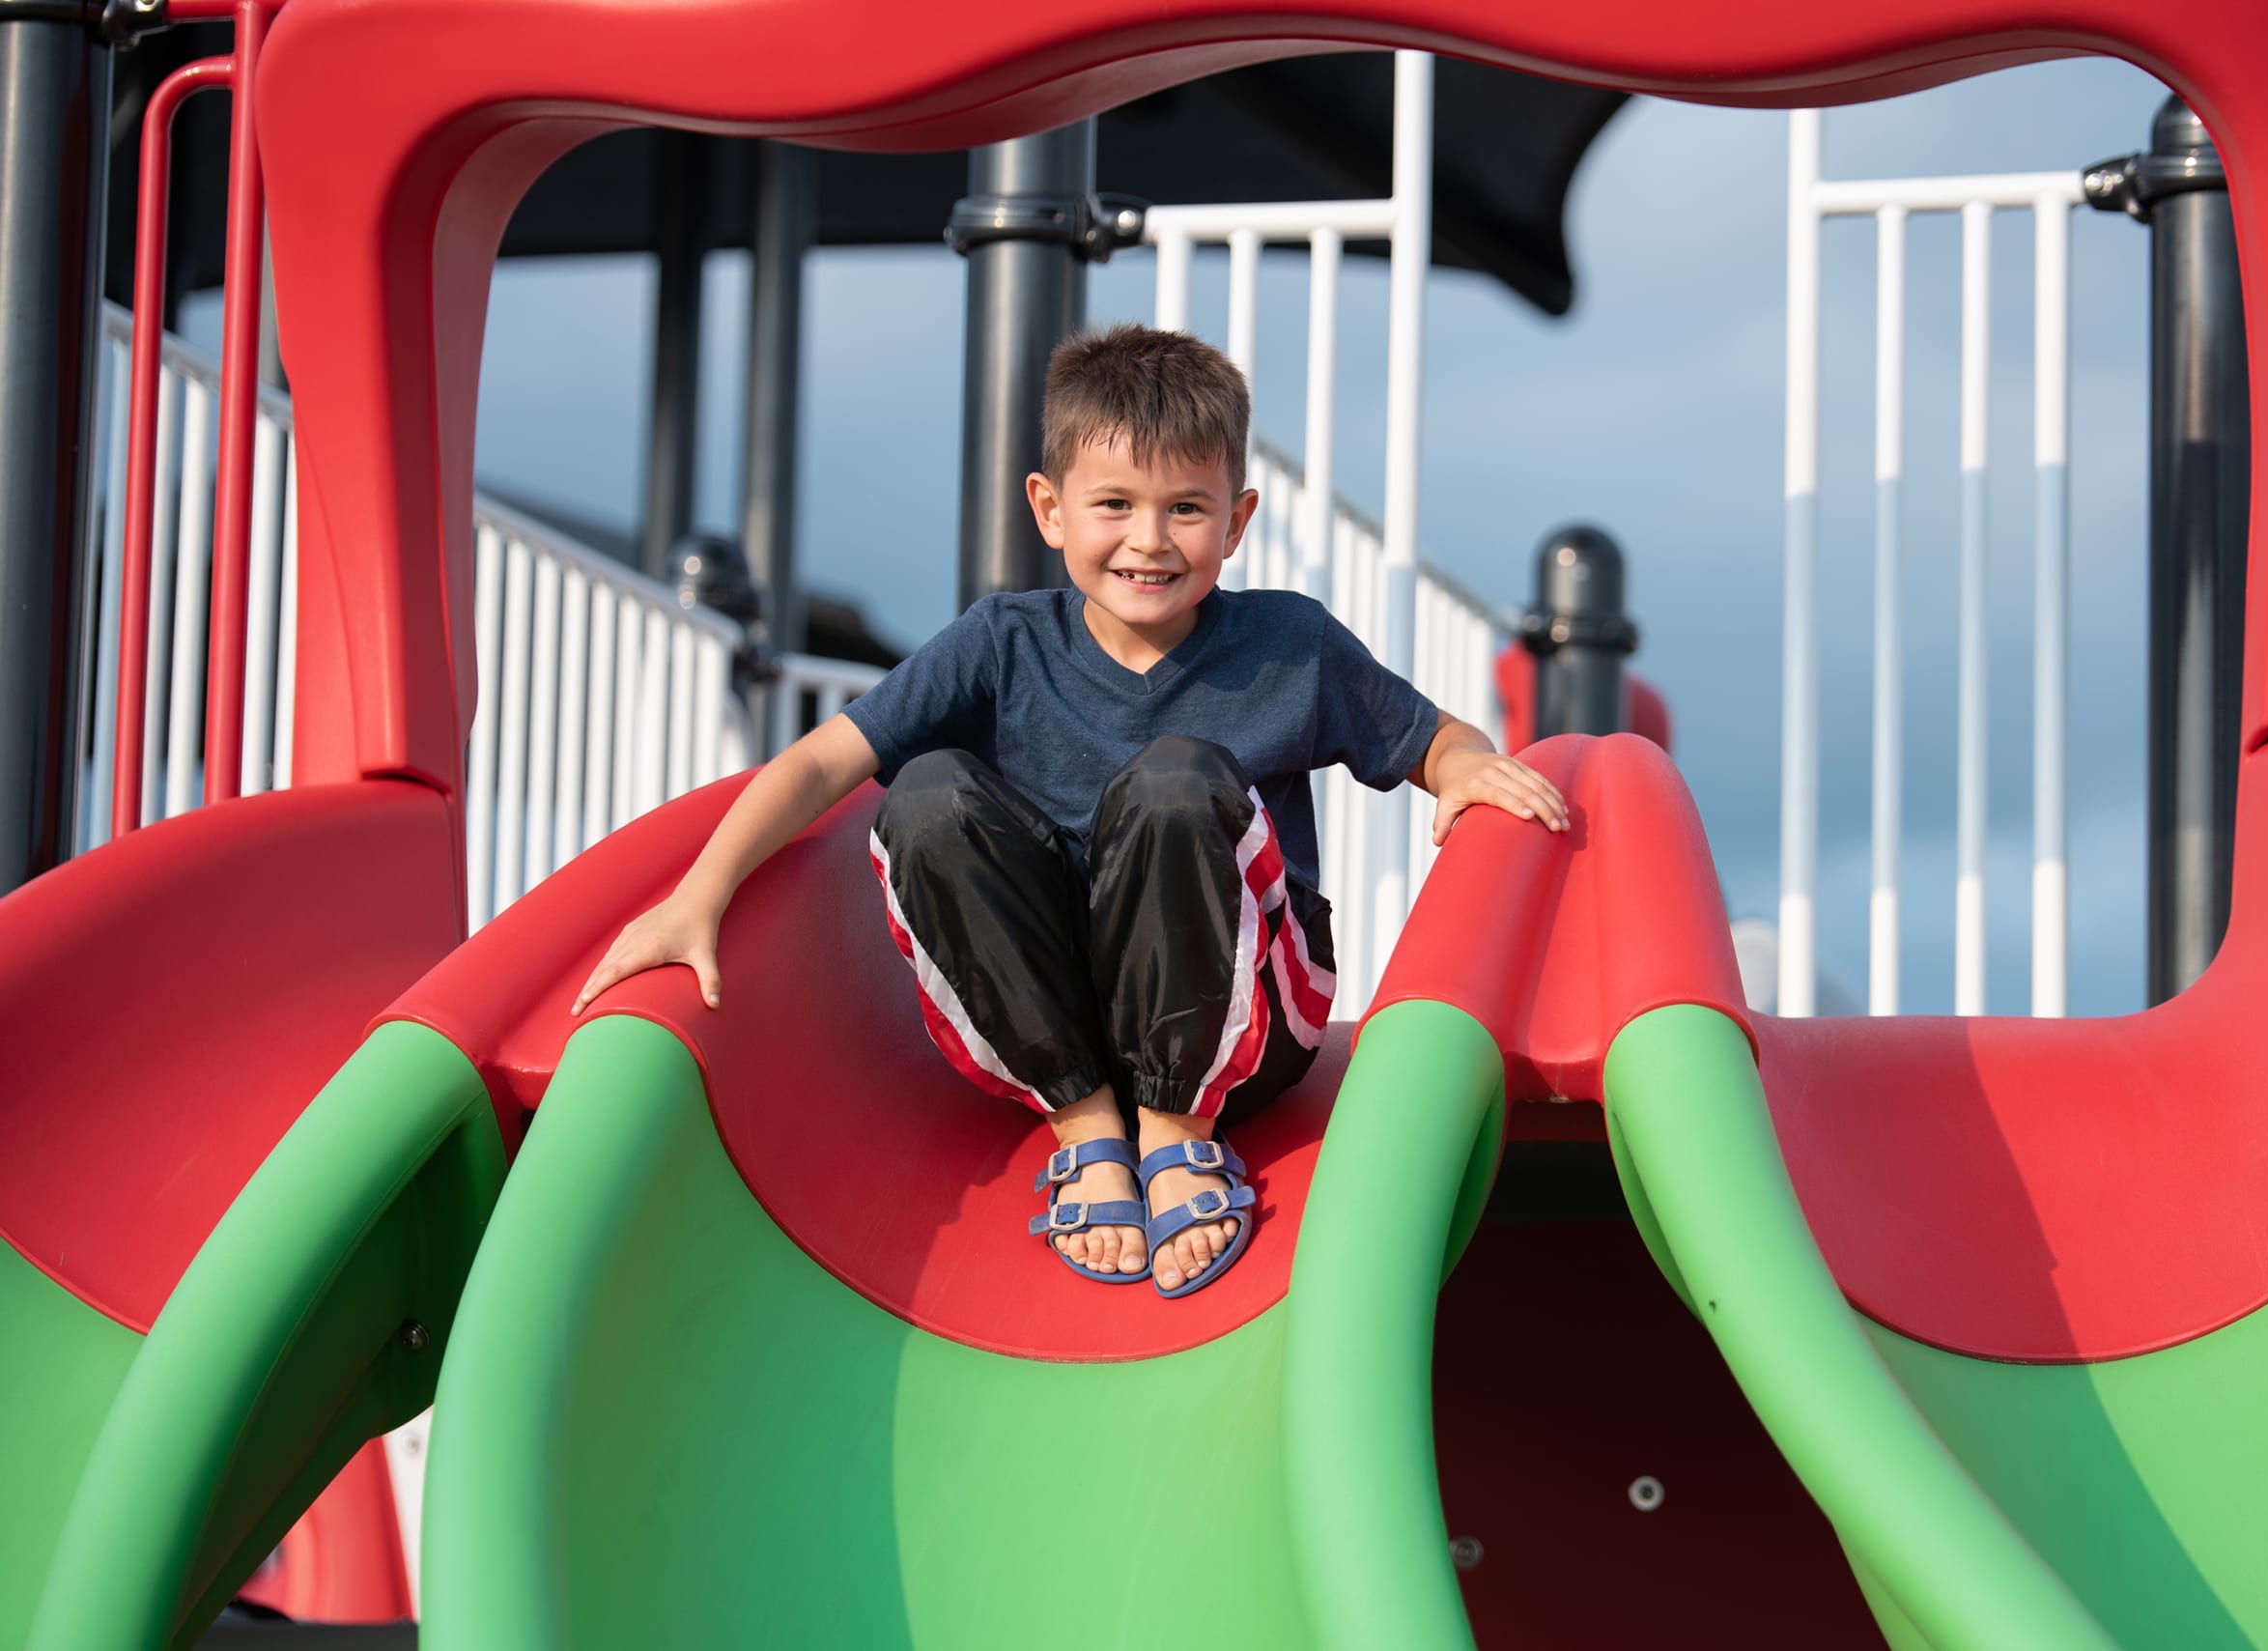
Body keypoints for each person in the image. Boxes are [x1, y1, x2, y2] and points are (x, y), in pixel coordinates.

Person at [572, 324, 1567, 1297]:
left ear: (1237, 519)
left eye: (1186, 507)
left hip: (1251, 1022)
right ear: (1049, 508)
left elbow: (1432, 739)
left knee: (1172, 779)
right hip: (1067, 1024)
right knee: (926, 792)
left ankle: (1176, 1132)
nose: (1149, 538)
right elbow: (823, 760)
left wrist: (1468, 767)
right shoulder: (1002, 641)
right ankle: (1088, 1127)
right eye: (1114, 504)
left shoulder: (1288, 644)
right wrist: (701, 893)